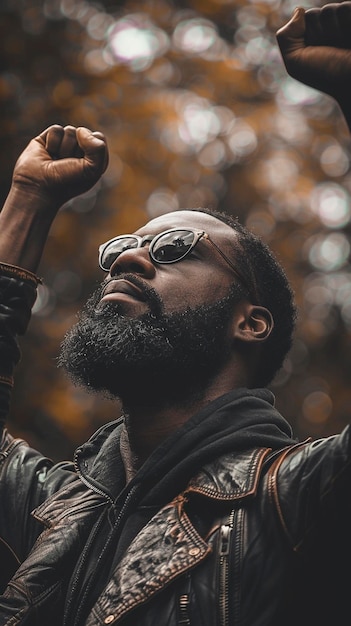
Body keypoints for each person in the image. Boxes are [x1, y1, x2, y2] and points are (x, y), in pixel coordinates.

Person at [0, 3, 350, 625]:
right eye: (120, 250)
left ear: (252, 322)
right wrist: (27, 202)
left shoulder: (300, 499)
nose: (129, 260)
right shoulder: (50, 507)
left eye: (172, 250)